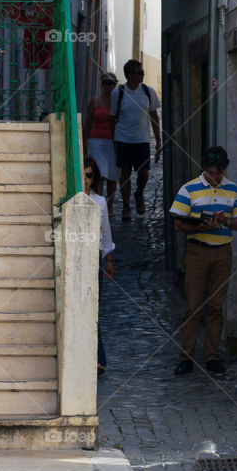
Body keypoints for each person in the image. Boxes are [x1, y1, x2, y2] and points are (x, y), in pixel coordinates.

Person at [169, 146, 237, 375]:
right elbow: (177, 223)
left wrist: (225, 221)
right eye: (212, 173)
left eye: (219, 173)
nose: (215, 177)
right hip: (197, 251)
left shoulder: (233, 190)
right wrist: (200, 225)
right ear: (204, 169)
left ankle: (213, 356)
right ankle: (186, 357)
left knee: (215, 306)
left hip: (223, 252)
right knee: (193, 306)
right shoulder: (188, 189)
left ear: (224, 169)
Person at [112, 59, 161, 221]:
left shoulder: (148, 92)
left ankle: (139, 192)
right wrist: (112, 141)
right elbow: (113, 119)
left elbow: (154, 117)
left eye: (142, 72)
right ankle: (126, 206)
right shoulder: (118, 93)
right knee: (124, 173)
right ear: (130, 75)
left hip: (142, 140)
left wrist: (159, 140)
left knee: (144, 173)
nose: (143, 75)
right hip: (122, 139)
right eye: (139, 73)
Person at [84, 159, 114, 377]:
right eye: (83, 174)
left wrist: (109, 260)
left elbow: (106, 234)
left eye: (90, 175)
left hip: (94, 261)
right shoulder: (69, 201)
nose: (86, 179)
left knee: (93, 310)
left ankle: (98, 358)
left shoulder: (100, 202)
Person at [83, 72, 119, 215]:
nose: (108, 86)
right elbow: (88, 123)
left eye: (112, 83)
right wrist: (85, 143)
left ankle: (109, 205)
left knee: (112, 176)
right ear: (102, 84)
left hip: (113, 142)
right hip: (96, 142)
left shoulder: (118, 102)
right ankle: (99, 204)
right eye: (106, 83)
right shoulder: (95, 101)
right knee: (99, 176)